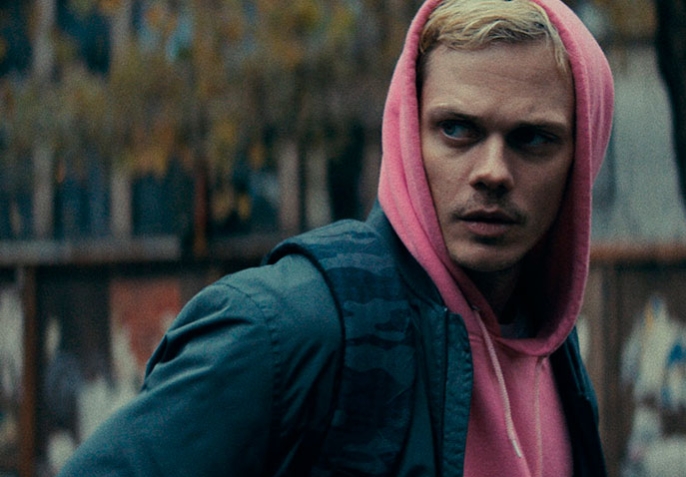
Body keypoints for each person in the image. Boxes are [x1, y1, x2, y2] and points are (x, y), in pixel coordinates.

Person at [58, 0, 614, 475]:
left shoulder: (553, 353)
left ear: (581, 156)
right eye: (457, 129)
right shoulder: (289, 329)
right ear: (409, 133)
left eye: (532, 139)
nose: (492, 171)